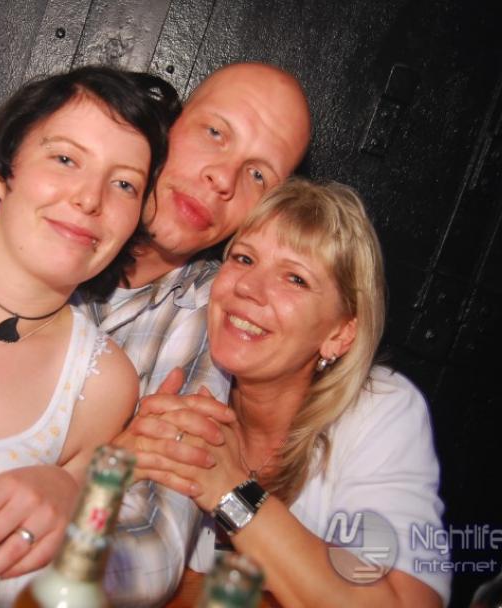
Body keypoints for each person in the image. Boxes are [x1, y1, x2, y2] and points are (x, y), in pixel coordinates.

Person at [0, 62, 313, 604]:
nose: (223, 177)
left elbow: (153, 548)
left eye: (259, 174)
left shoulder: (198, 323)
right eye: (215, 132)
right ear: (169, 125)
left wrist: (75, 491)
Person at [135, 180, 451, 607]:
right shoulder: (177, 361)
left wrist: (233, 492)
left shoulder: (380, 410)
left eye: (295, 279)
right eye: (244, 258)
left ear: (340, 334)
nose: (248, 287)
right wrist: (126, 455)